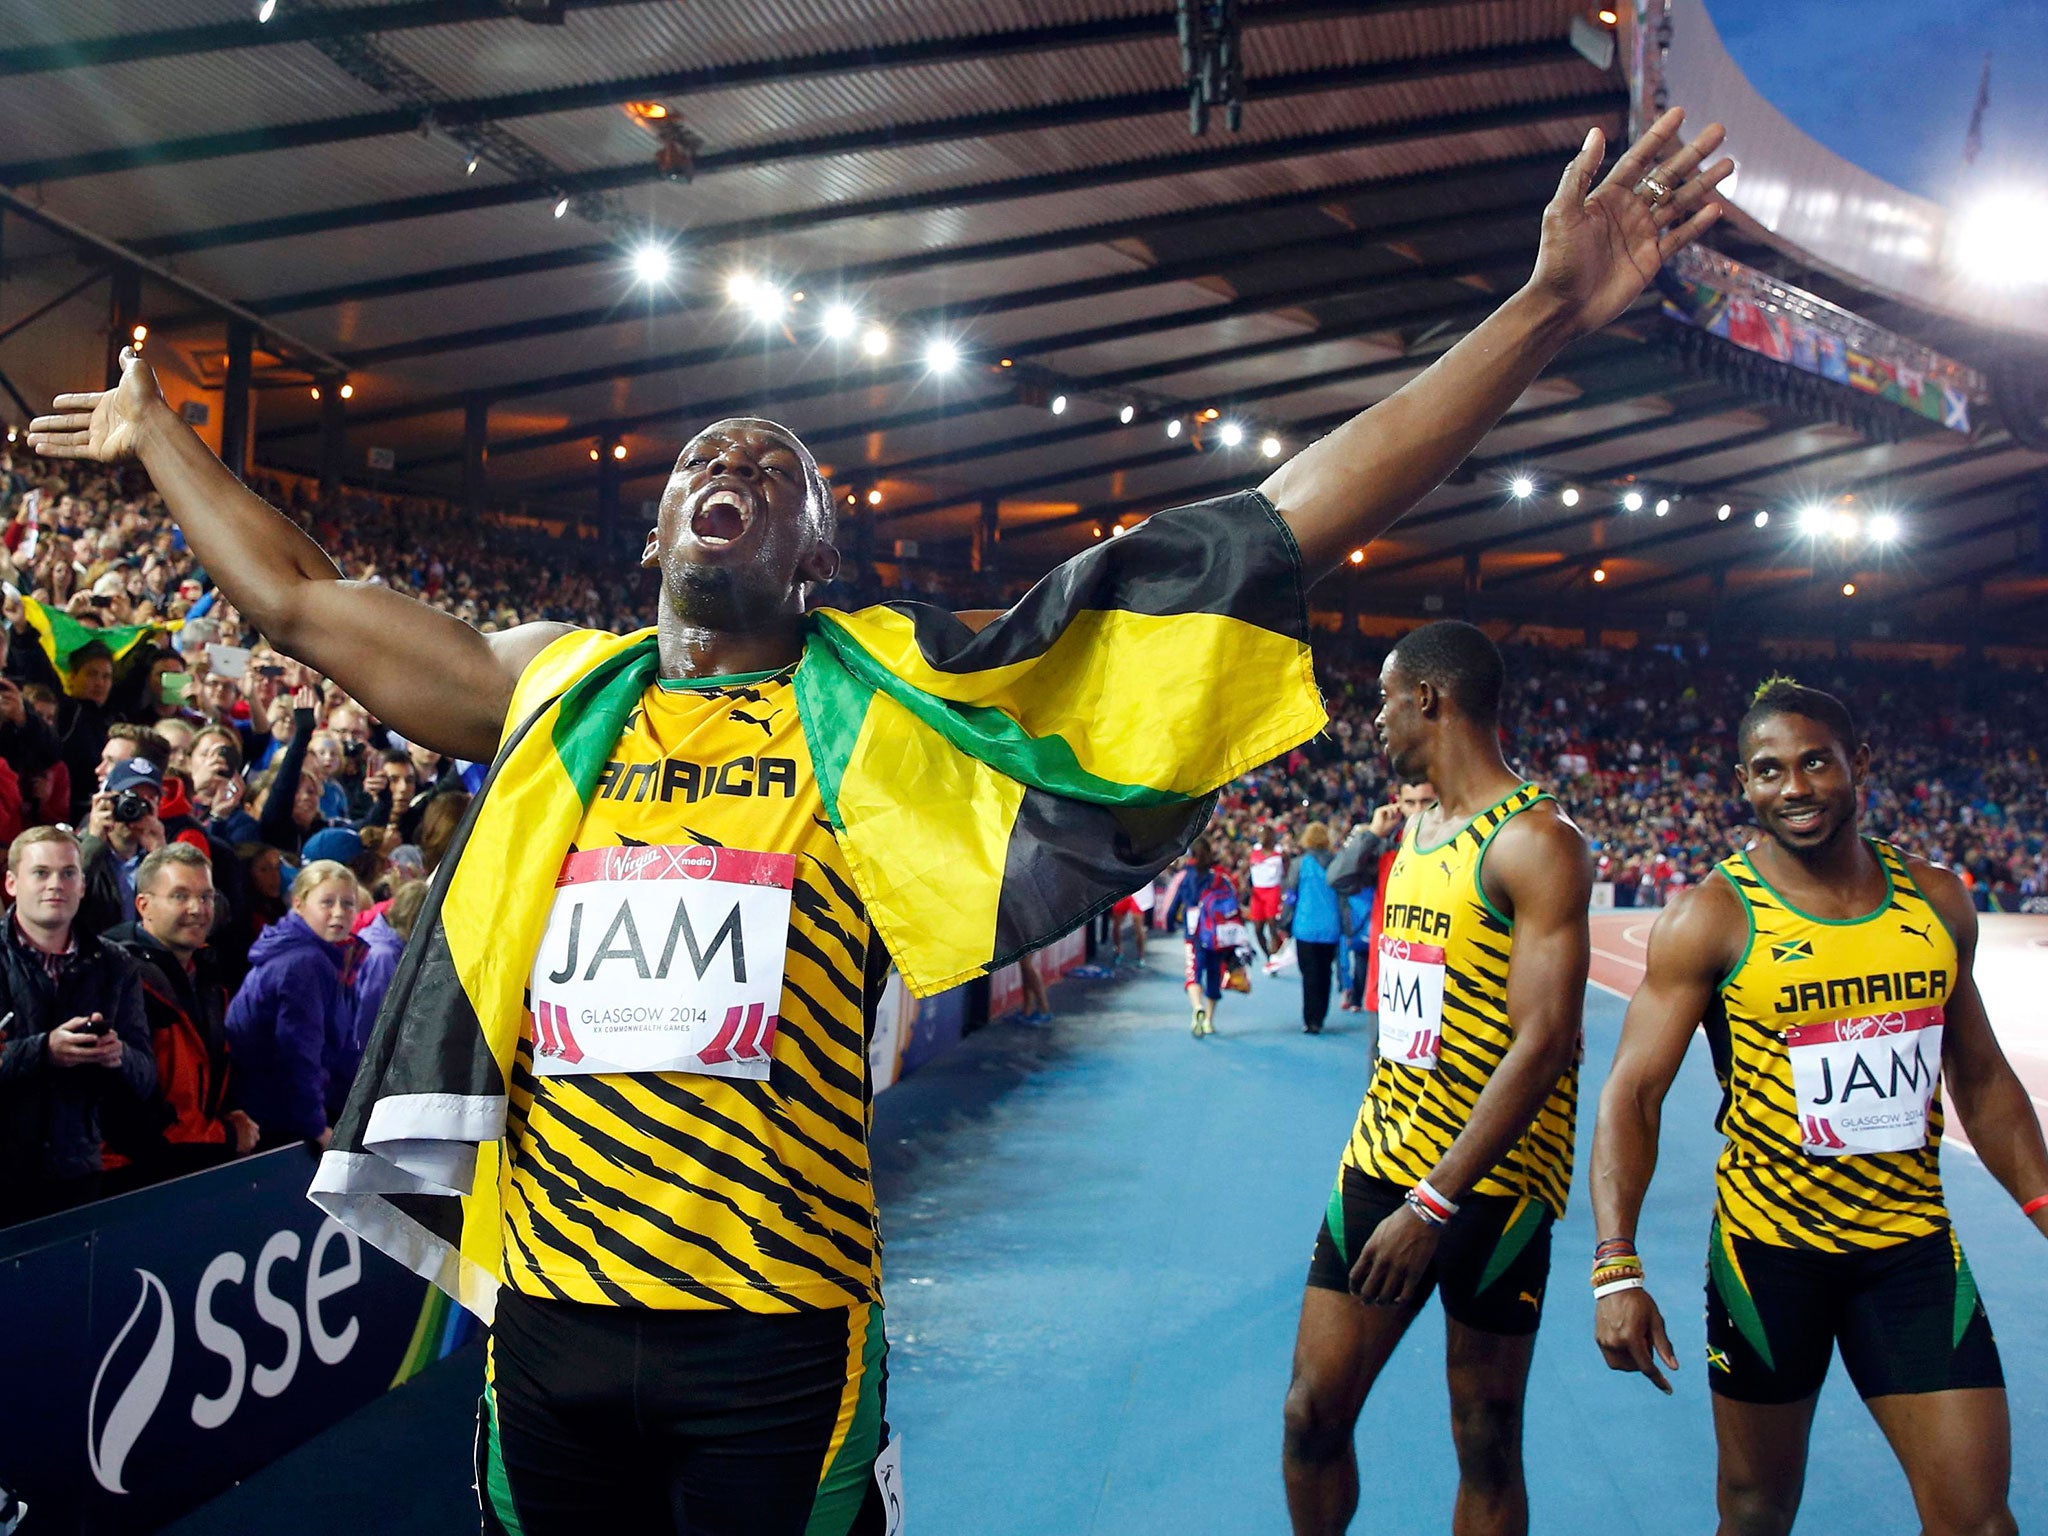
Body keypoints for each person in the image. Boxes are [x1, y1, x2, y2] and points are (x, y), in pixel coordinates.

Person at [33, 104, 1728, 1536]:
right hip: (549, 1321)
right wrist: (159, 441)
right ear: (652, 541)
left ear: (817, 564)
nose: (741, 466)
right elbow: (310, 597)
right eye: (716, 451)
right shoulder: (547, 689)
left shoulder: (906, 726)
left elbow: (1272, 524)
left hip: (777, 1335)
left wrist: (1539, 314)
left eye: (782, 471)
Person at [1589, 679, 2048, 1536]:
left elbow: (1981, 1078)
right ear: (1742, 784)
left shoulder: (1937, 900)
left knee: (1981, 1524)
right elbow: (1633, 1094)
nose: (1792, 787)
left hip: (1910, 1256)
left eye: (1814, 763)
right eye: (1768, 770)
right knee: (1758, 1513)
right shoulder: (1710, 917)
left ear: (1858, 765)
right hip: (1772, 1262)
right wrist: (1617, 1264)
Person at [1284, 621, 1594, 1536]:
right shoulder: (1415, 829)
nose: (1373, 718)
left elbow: (1543, 1043)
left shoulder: (1537, 843)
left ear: (1428, 697)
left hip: (1492, 1190)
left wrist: (1432, 1206)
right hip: (1381, 1160)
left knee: (1487, 1437)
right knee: (1311, 1413)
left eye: (1382, 696)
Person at [0, 826, 154, 1225]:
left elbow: (145, 1076)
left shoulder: (117, 965)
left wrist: (117, 1056)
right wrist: (43, 1051)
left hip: (78, 1172)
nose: (56, 885)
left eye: (68, 873)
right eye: (41, 873)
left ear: (83, 885)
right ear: (12, 883)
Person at [103, 842, 257, 1180]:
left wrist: (231, 1114)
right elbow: (130, 1112)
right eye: (180, 896)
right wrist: (225, 1135)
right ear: (144, 905)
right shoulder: (116, 978)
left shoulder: (207, 973)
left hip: (191, 1163)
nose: (198, 909)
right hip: (131, 1178)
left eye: (205, 897)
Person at [223, 859, 363, 1150]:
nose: (339, 912)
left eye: (348, 903)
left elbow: (339, 1046)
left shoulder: (326, 954)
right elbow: (299, 1053)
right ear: (299, 904)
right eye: (327, 902)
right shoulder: (303, 963)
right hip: (275, 1120)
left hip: (283, 1108)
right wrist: (315, 1127)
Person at [1329, 776, 1437, 1016]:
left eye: (1426, 802)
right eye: (1411, 803)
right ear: (1398, 803)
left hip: (1438, 976)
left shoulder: (1462, 844)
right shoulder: (1384, 846)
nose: (1419, 811)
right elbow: (1338, 879)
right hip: (1390, 977)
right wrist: (1373, 833)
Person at [78, 755, 168, 933]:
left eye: (147, 801)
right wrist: (93, 840)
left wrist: (161, 855)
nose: (134, 808)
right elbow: (68, 892)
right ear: (106, 800)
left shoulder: (159, 855)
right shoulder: (74, 850)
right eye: (129, 797)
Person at [1172, 837, 1244, 1038]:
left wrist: (1171, 923)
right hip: (1216, 934)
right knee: (1214, 974)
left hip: (1193, 933)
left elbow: (1175, 904)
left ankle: (1197, 1007)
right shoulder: (1219, 876)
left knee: (1193, 972)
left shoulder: (1185, 875)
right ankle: (1210, 1021)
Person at [1283, 822, 1343, 1034]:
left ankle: (1310, 1019)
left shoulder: (1300, 864)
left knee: (1309, 974)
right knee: (1325, 971)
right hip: (1330, 927)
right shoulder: (1337, 862)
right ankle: (1320, 1015)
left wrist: (1285, 920)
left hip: (1305, 926)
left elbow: (1290, 895)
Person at [1248, 831, 1288, 960]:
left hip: (1273, 890)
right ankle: (1268, 956)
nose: (1261, 838)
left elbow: (1287, 872)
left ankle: (1275, 954)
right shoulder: (1253, 850)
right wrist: (1247, 888)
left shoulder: (1280, 852)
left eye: (1264, 835)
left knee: (1272, 925)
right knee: (1258, 929)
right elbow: (1244, 869)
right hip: (1257, 892)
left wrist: (1285, 888)